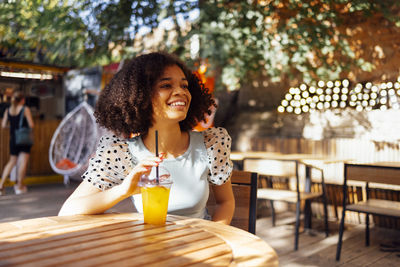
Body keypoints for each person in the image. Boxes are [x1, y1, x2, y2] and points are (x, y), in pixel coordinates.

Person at [59, 52, 235, 224]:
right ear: (140, 95)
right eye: (166, 85)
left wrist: (211, 237)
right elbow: (68, 211)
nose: (180, 92)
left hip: (200, 245)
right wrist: (122, 191)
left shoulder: (210, 144)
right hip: (151, 246)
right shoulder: (121, 153)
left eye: (184, 85)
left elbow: (225, 202)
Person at [0, 91, 34, 195]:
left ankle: (1, 185)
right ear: (22, 100)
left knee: (12, 161)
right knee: (22, 162)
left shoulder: (8, 110)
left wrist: (13, 127)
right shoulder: (25, 109)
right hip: (24, 139)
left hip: (13, 138)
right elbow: (31, 125)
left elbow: (4, 125)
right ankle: (19, 187)